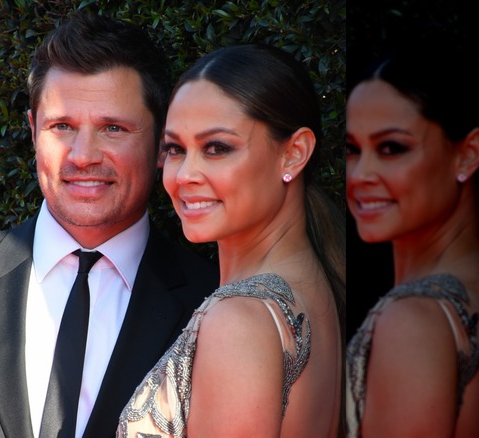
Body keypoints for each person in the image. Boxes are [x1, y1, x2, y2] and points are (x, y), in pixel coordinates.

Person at [0, 11, 220, 438]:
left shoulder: (216, 307)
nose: (83, 155)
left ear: (160, 145)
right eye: (62, 126)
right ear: (33, 133)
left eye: (113, 128)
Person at [117, 43, 346, 437]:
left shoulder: (239, 319)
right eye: (175, 149)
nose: (184, 174)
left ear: (294, 153)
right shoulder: (316, 285)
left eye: (216, 148)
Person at [344, 40, 479, 437]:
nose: (360, 175)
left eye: (391, 148)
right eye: (352, 149)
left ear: (468, 154)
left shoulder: (413, 320)